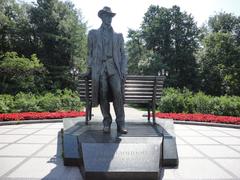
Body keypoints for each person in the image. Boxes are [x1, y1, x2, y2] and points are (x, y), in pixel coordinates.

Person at [86, 6, 128, 134]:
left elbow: (124, 54)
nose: (109, 18)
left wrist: (123, 70)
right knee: (103, 95)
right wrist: (89, 68)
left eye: (110, 16)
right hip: (100, 68)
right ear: (102, 17)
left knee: (118, 94)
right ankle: (107, 122)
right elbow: (90, 53)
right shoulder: (93, 34)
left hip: (114, 68)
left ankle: (120, 124)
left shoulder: (118, 36)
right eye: (106, 16)